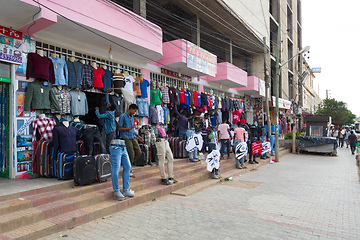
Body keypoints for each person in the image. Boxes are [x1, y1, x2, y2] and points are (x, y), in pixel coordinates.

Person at [118, 104, 144, 177]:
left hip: (132, 136)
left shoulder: (132, 117)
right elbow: (120, 128)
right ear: (131, 109)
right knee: (131, 153)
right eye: (134, 111)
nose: (134, 113)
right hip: (125, 137)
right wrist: (129, 128)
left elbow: (133, 129)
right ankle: (128, 169)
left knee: (138, 151)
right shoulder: (122, 116)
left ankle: (127, 165)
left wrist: (138, 136)